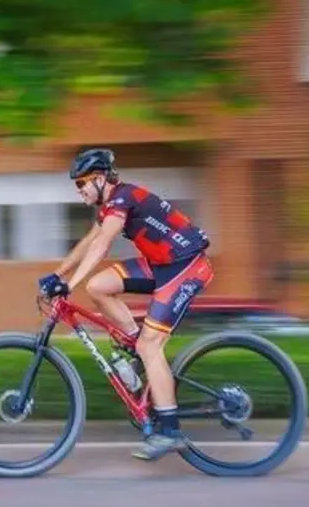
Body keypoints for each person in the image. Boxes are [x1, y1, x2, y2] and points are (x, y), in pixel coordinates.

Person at [37, 147, 214, 461]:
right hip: (161, 264)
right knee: (99, 286)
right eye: (76, 185)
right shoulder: (109, 207)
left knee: (151, 347)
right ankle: (133, 346)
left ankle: (170, 432)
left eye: (82, 184)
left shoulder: (123, 198)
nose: (79, 191)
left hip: (186, 267)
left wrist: (68, 286)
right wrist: (57, 273)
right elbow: (90, 242)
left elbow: (103, 245)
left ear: (101, 179)